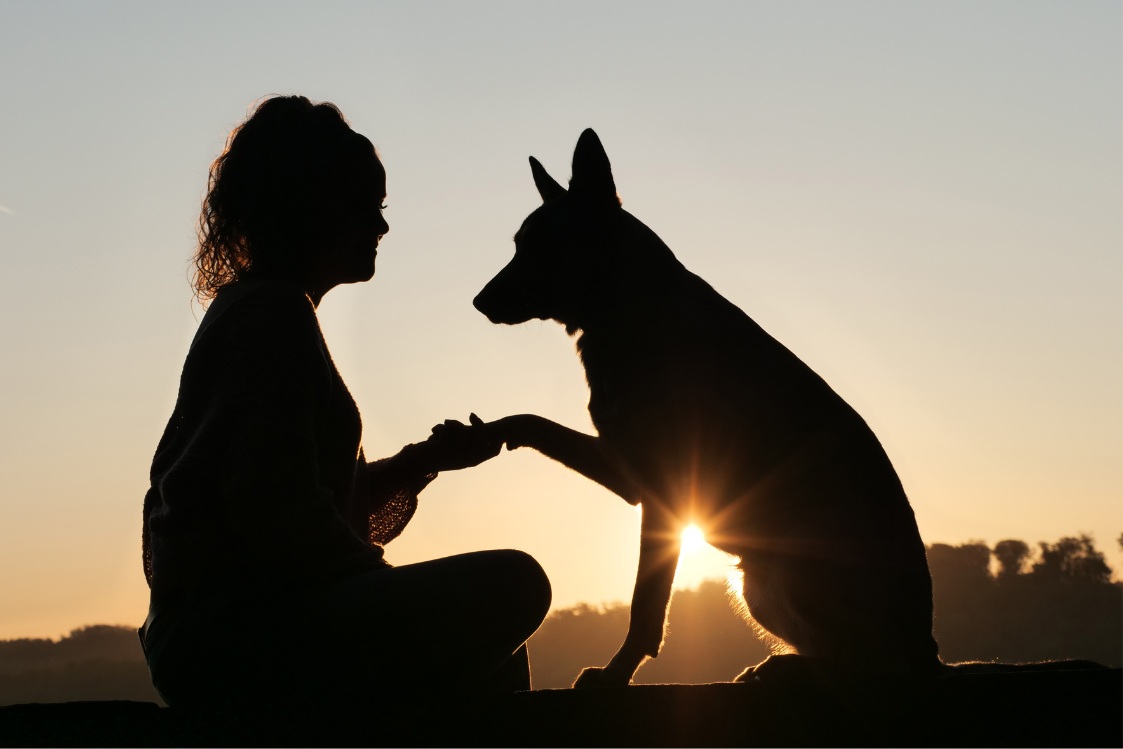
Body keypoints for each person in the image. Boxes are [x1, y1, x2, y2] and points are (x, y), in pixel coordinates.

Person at [139, 95, 551, 709]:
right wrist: (385, 586)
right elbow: (278, 514)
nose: (381, 227)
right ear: (307, 209)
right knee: (517, 584)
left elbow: (310, 504)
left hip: (224, 633)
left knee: (497, 655)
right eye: (364, 209)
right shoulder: (272, 314)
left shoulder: (267, 308)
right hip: (229, 637)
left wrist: (417, 464)